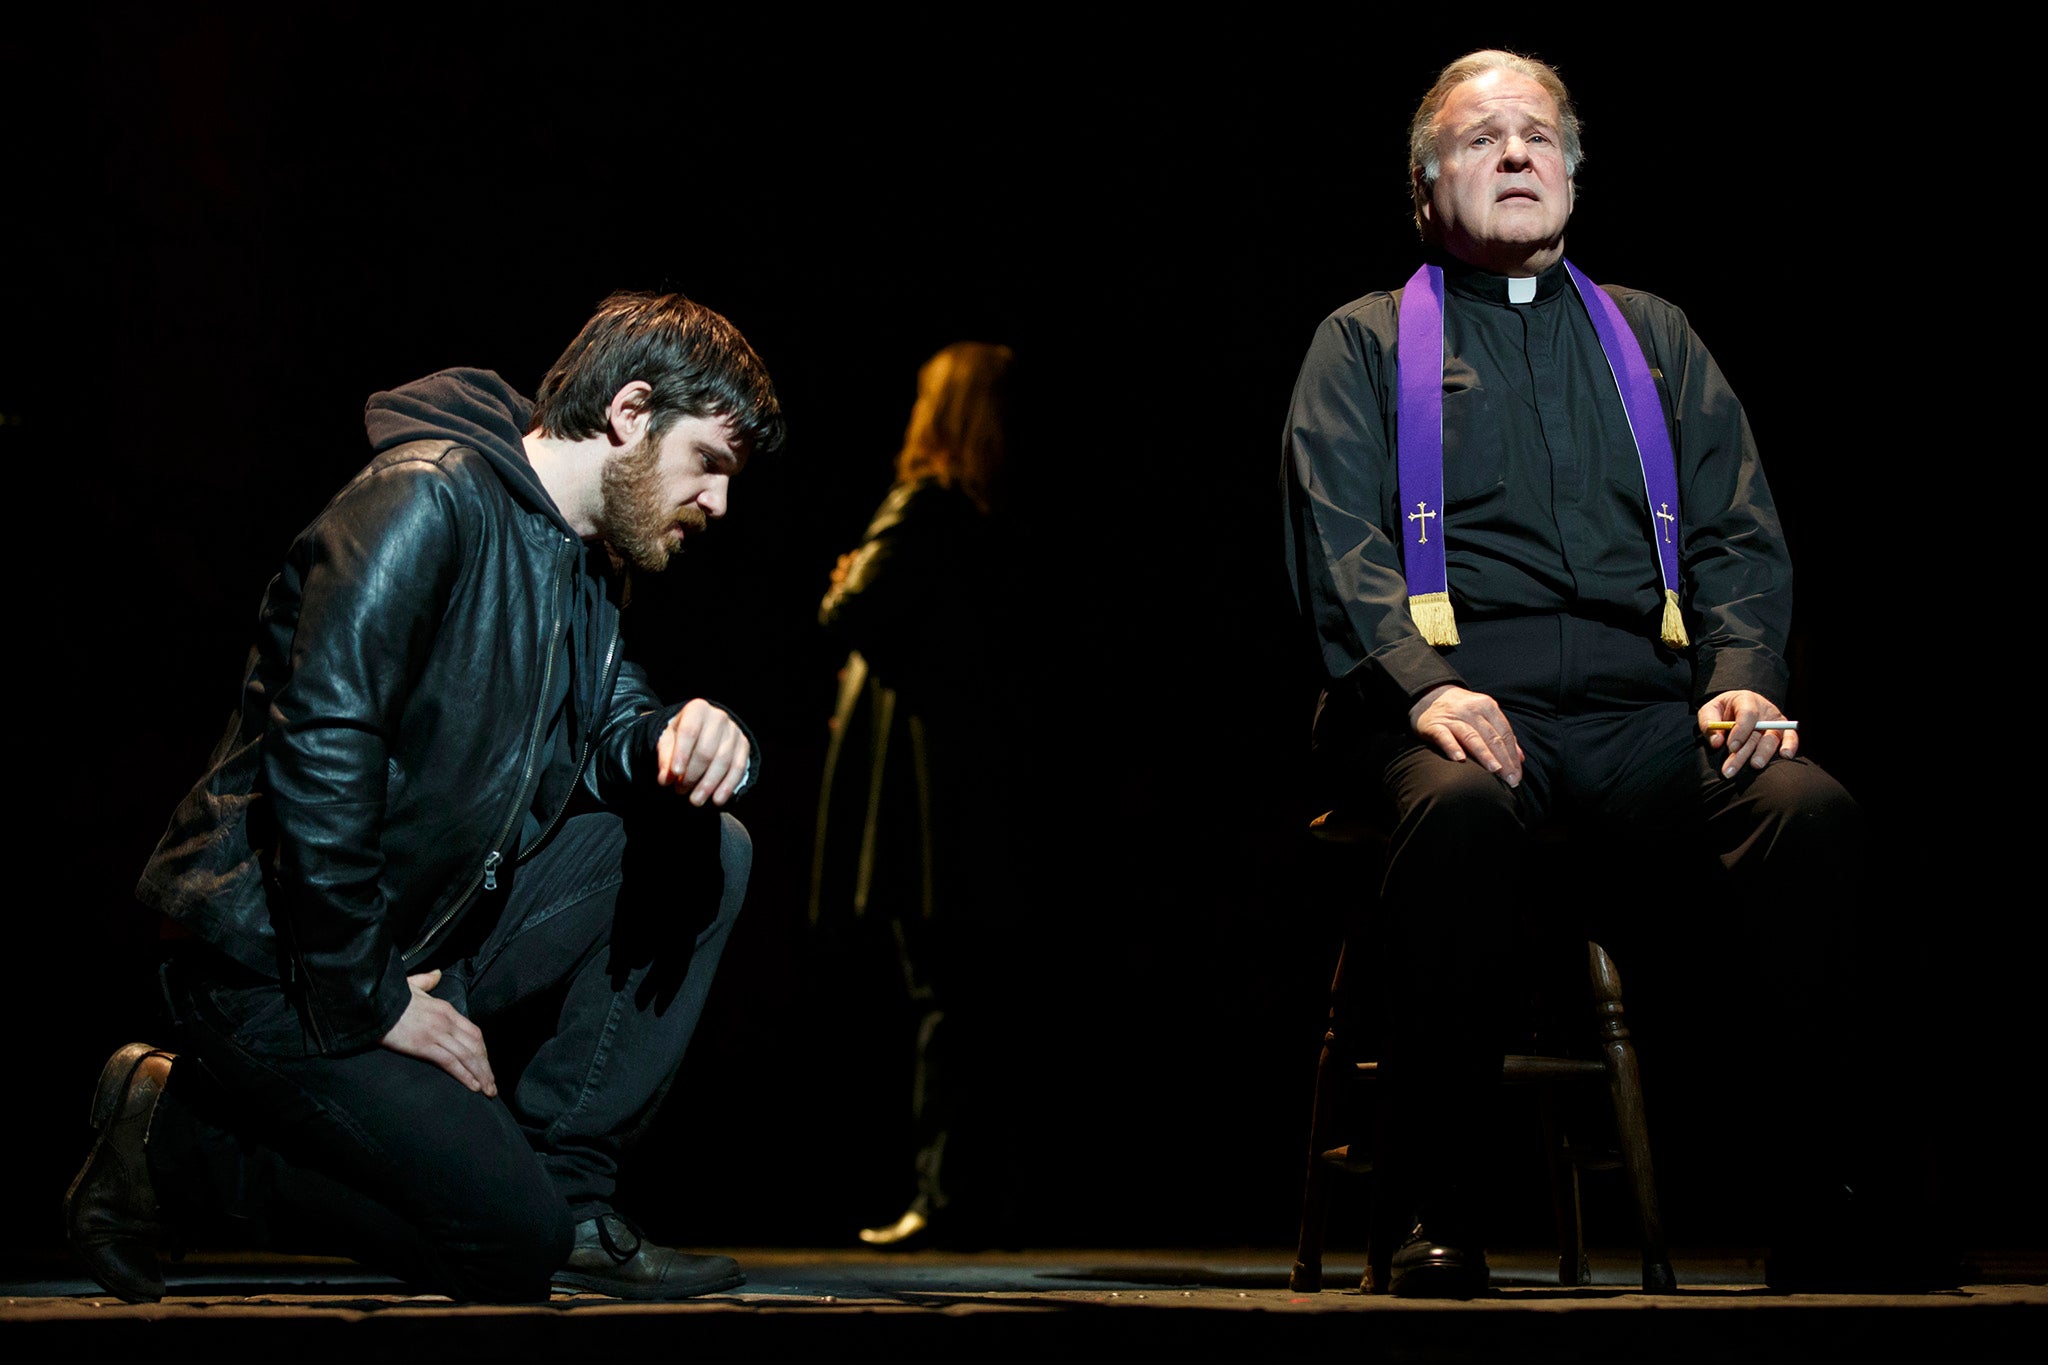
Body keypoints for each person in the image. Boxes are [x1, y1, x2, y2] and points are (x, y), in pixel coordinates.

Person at [1279, 50, 1946, 1297]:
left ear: (1575, 178)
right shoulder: (1363, 343)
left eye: (1537, 136)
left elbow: (1738, 533)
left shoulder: (1653, 335)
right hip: (1445, 707)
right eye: (1480, 140)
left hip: (1642, 712)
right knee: (1461, 814)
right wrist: (1422, 683)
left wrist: (1746, 677)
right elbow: (1335, 540)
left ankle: (1830, 1203)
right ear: (1424, 190)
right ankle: (1436, 1208)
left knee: (1806, 815)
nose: (1517, 155)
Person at [63, 290, 786, 1304]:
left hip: (419, 939)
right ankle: (175, 1136)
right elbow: (318, 749)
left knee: (714, 845)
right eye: (709, 463)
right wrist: (371, 993)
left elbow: (617, 733)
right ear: (630, 412)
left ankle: (570, 1199)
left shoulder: (582, 571)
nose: (717, 504)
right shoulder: (423, 498)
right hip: (287, 963)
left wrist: (692, 737)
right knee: (502, 1248)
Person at [808, 341, 1022, 1250]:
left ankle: (941, 1195)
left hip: (921, 791)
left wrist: (849, 577)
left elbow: (847, 611)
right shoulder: (989, 517)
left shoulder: (927, 504)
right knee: (965, 994)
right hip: (973, 779)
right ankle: (959, 1189)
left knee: (940, 992)